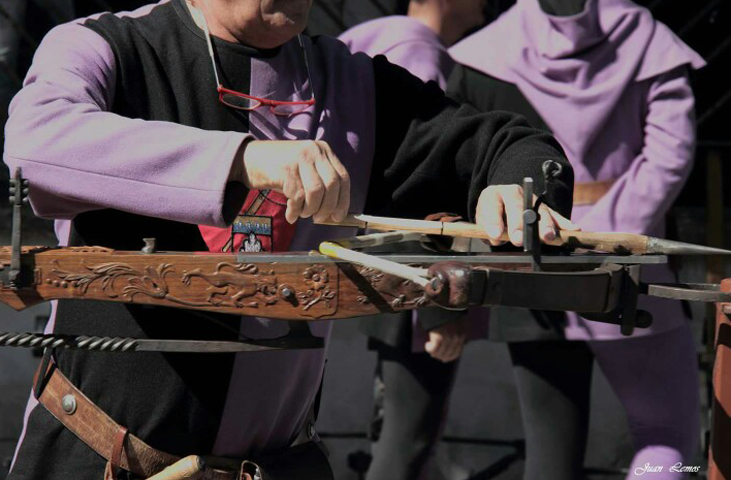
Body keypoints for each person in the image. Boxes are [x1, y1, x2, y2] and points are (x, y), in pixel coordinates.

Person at [2, 0, 576, 478]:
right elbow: (34, 141)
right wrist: (243, 159)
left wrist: (518, 187)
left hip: (279, 464)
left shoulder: (350, 82)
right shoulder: (106, 44)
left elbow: (505, 143)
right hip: (101, 457)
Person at [448, 0, 705, 478]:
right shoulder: (645, 39)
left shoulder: (488, 52)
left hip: (532, 265)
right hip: (628, 264)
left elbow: (459, 162)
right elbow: (670, 155)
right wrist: (608, 238)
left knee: (550, 458)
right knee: (668, 437)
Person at [339, 2, 487, 479]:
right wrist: (441, 308)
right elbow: (419, 179)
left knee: (397, 435)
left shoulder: (380, 38)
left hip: (390, 264)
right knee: (406, 443)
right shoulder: (415, 47)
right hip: (417, 275)